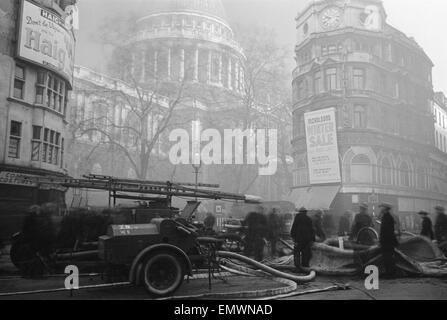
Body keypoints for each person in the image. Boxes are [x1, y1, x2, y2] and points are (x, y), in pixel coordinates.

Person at [379, 203, 398, 278]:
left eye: (382, 208)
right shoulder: (387, 216)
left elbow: (386, 231)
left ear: (385, 209)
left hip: (387, 241)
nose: (380, 209)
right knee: (388, 257)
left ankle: (390, 274)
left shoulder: (387, 217)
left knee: (388, 257)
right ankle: (389, 272)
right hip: (388, 241)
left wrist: (382, 240)